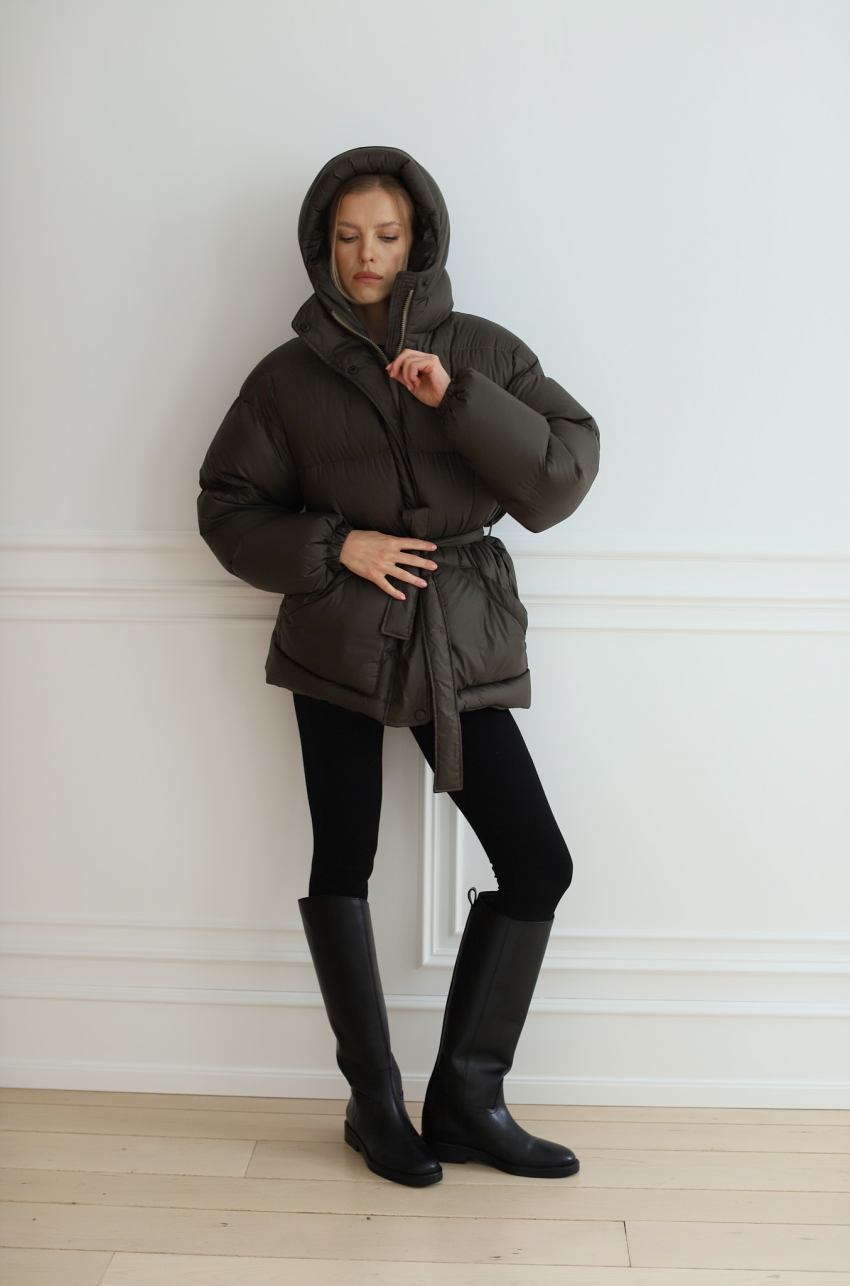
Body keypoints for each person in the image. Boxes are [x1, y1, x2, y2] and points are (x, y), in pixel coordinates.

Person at [197, 146, 600, 1188]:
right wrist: (339, 545)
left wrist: (456, 397)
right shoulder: (285, 378)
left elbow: (560, 477)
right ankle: (373, 1102)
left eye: (385, 234)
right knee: (344, 858)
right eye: (347, 237)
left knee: (536, 862)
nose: (367, 255)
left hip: (456, 632)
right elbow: (226, 508)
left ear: (418, 237)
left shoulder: (483, 350)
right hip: (336, 633)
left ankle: (466, 1099)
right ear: (321, 246)